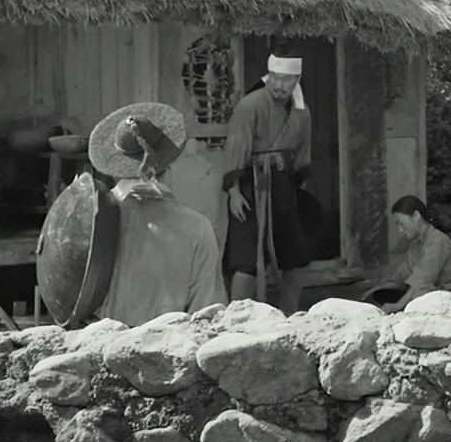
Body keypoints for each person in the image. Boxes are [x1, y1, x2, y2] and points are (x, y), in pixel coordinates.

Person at [83, 101, 230, 325]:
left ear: (113, 171)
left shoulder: (91, 222)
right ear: (167, 167)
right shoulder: (198, 228)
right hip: (171, 343)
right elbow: (208, 313)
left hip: (104, 342)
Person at [220, 47, 314, 313]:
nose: (279, 85)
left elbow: (303, 152)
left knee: (296, 258)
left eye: (286, 80)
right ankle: (237, 316)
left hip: (283, 184)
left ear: (296, 80)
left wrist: (297, 190)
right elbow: (236, 148)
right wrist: (234, 192)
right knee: (246, 260)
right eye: (275, 78)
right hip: (251, 183)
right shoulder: (250, 105)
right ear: (269, 75)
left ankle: (288, 312)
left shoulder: (301, 111)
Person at [360, 196, 451, 312]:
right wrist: (377, 289)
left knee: (420, 293)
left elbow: (422, 282)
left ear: (416, 216)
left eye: (401, 223)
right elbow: (401, 277)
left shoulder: (438, 241)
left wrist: (396, 306)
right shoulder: (415, 246)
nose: (401, 230)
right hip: (436, 298)